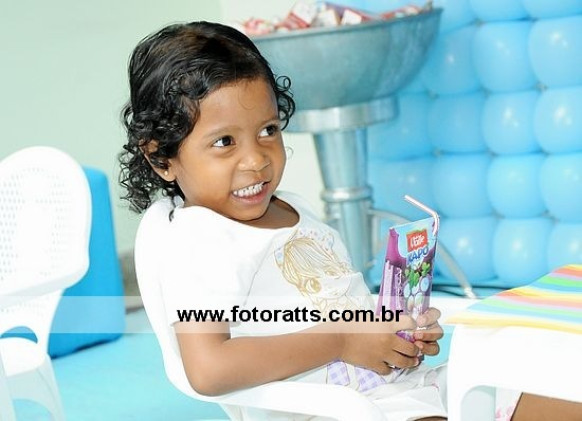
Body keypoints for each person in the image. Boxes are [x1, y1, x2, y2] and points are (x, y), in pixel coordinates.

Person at [119, 21, 582, 421]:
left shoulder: (294, 208)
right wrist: (342, 339)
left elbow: (335, 304)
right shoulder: (199, 238)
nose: (256, 159)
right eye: (224, 142)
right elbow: (208, 369)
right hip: (338, 409)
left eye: (268, 130)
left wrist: (396, 328)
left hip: (403, 389)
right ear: (161, 158)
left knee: (557, 392)